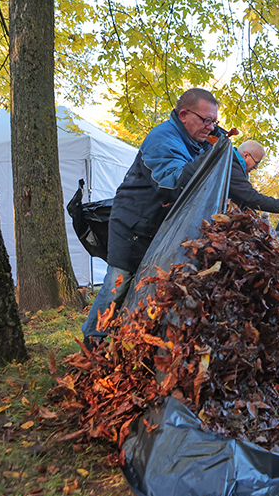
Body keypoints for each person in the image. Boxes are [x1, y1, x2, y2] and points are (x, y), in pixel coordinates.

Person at [81, 88, 218, 347]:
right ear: (184, 114)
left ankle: (127, 339)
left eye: (215, 122)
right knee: (117, 284)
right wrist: (210, 155)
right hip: (133, 225)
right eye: (206, 120)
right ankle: (92, 341)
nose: (211, 128)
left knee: (149, 286)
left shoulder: (194, 142)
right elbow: (172, 185)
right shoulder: (163, 140)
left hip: (157, 228)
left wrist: (215, 142)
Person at [178, 138, 279, 216]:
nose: (256, 167)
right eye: (256, 162)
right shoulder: (230, 165)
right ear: (246, 155)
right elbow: (250, 197)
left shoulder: (229, 162)